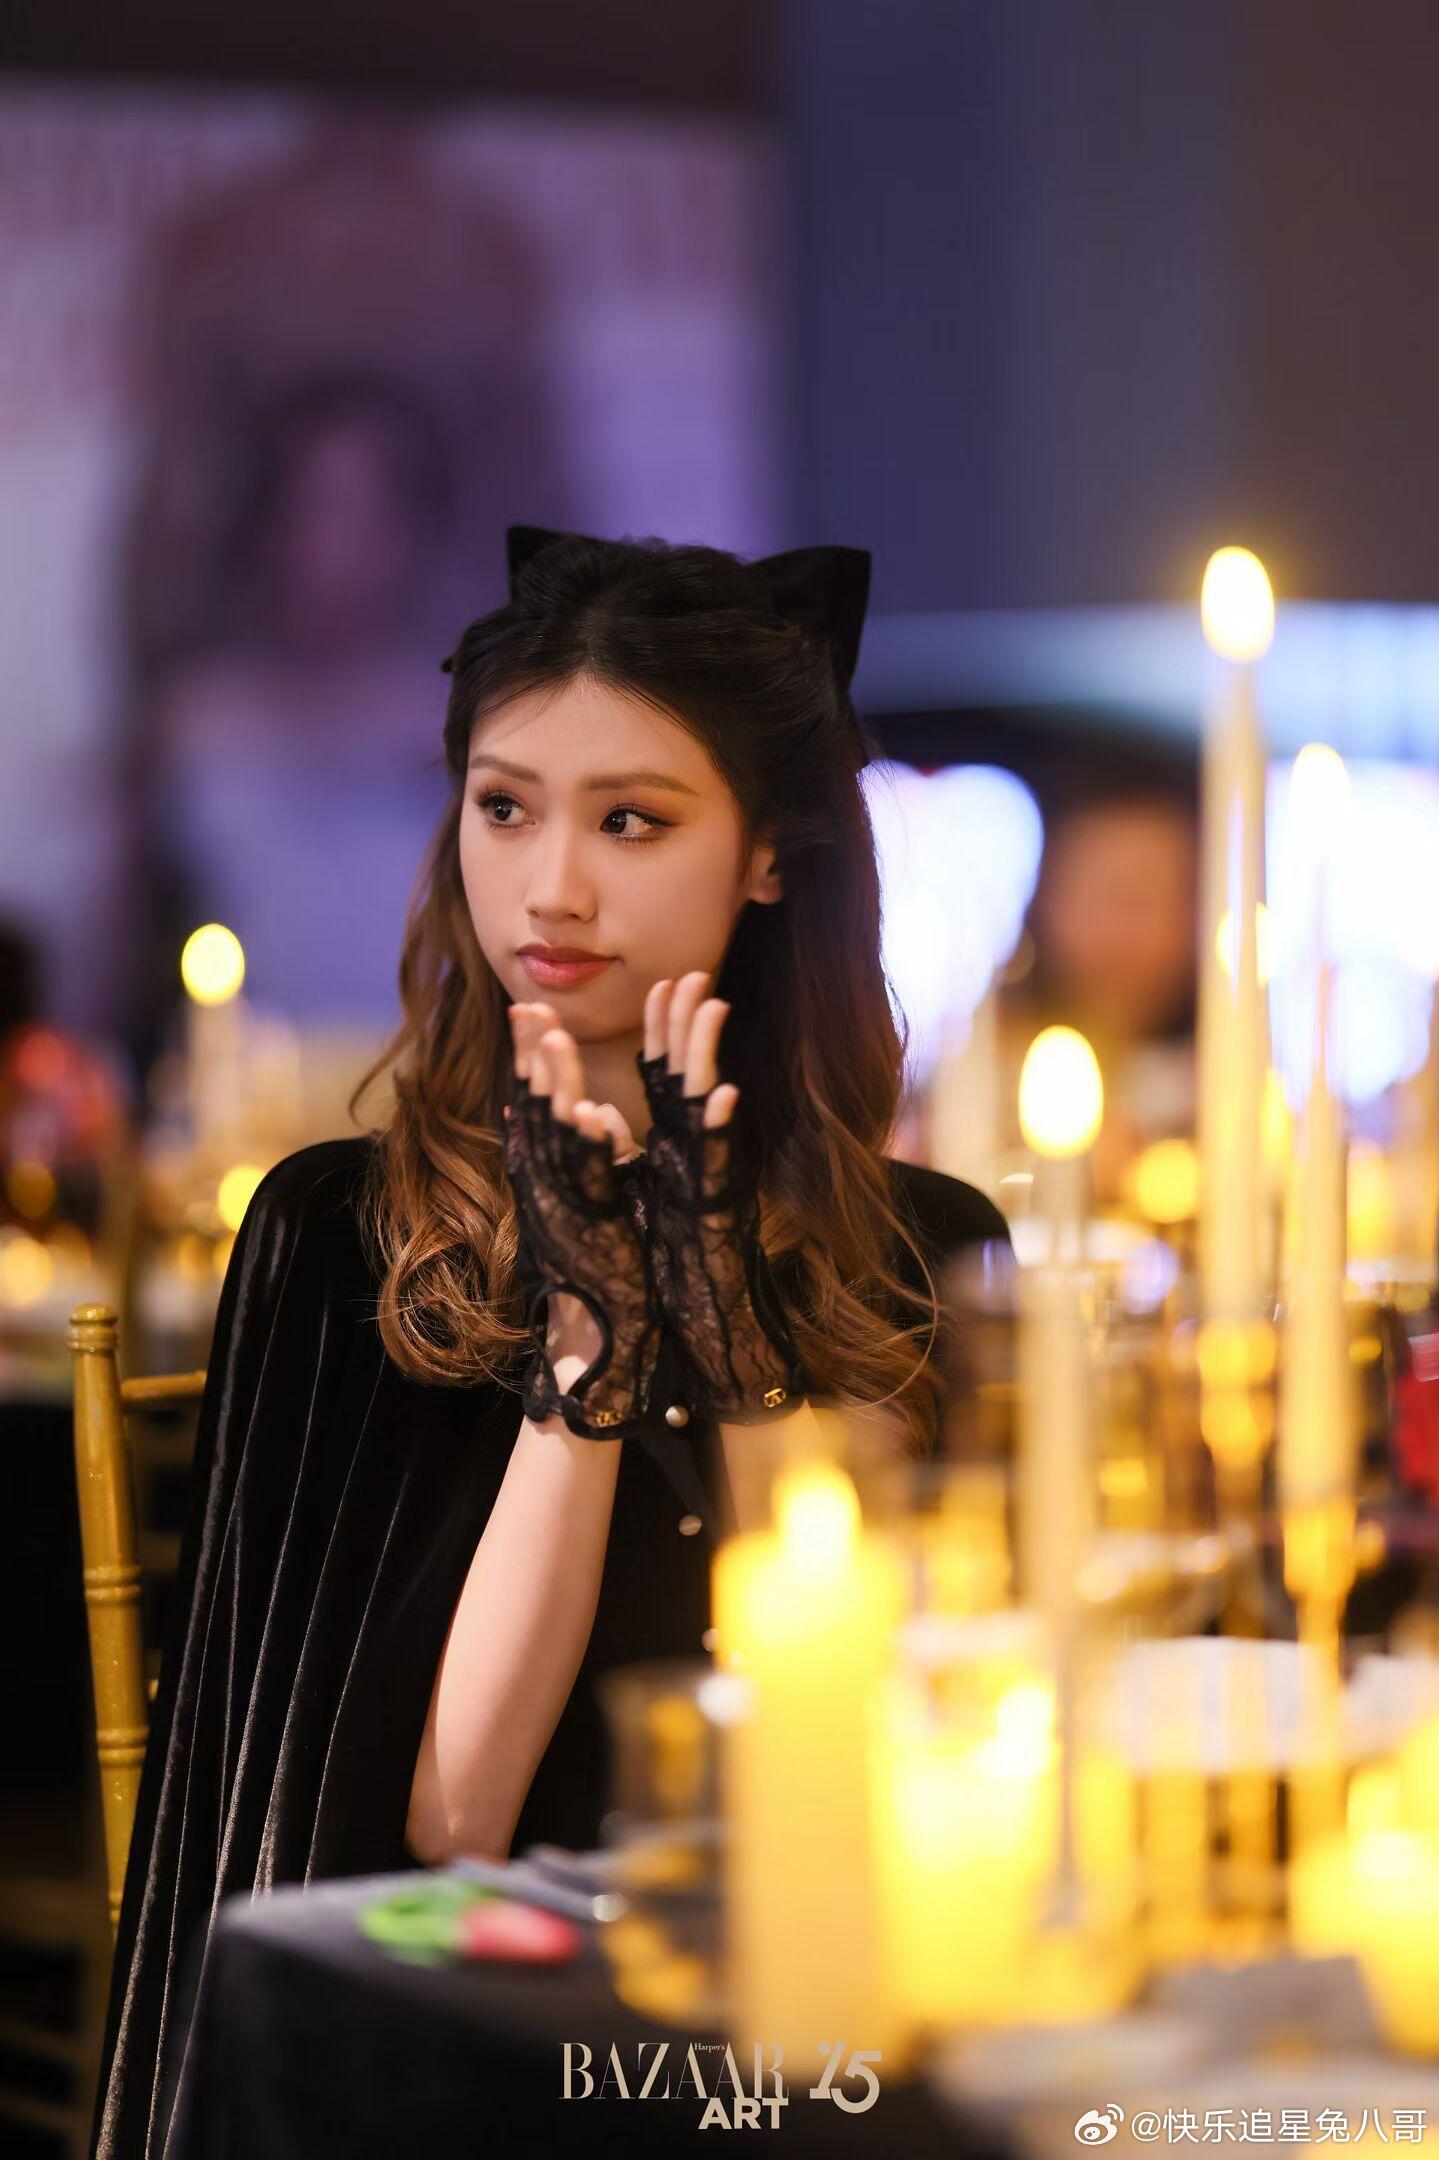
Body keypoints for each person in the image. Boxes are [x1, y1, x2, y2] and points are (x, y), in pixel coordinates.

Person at [87, 525, 1011, 2160]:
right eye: (504, 806)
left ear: (770, 857)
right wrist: (591, 1340)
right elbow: (443, 1830)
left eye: (631, 820)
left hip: (831, 2037)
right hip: (476, 2068)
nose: (551, 887)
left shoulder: (918, 1254)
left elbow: (872, 1766)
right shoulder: (340, 1236)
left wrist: (722, 1310)